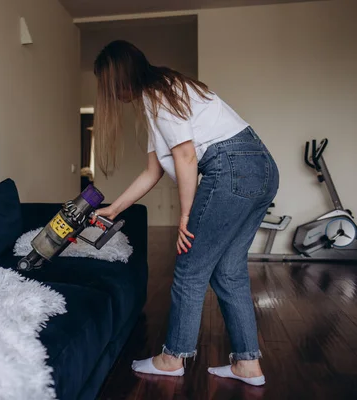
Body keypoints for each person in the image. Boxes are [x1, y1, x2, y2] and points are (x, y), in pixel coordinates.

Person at [92, 40, 278, 386]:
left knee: (190, 266)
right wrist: (113, 208)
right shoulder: (164, 92)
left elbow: (186, 157)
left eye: (108, 84)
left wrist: (185, 215)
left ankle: (171, 357)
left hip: (231, 169)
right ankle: (247, 364)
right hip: (262, 168)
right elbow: (153, 171)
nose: (110, 93)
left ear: (120, 78)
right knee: (229, 271)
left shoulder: (159, 95)